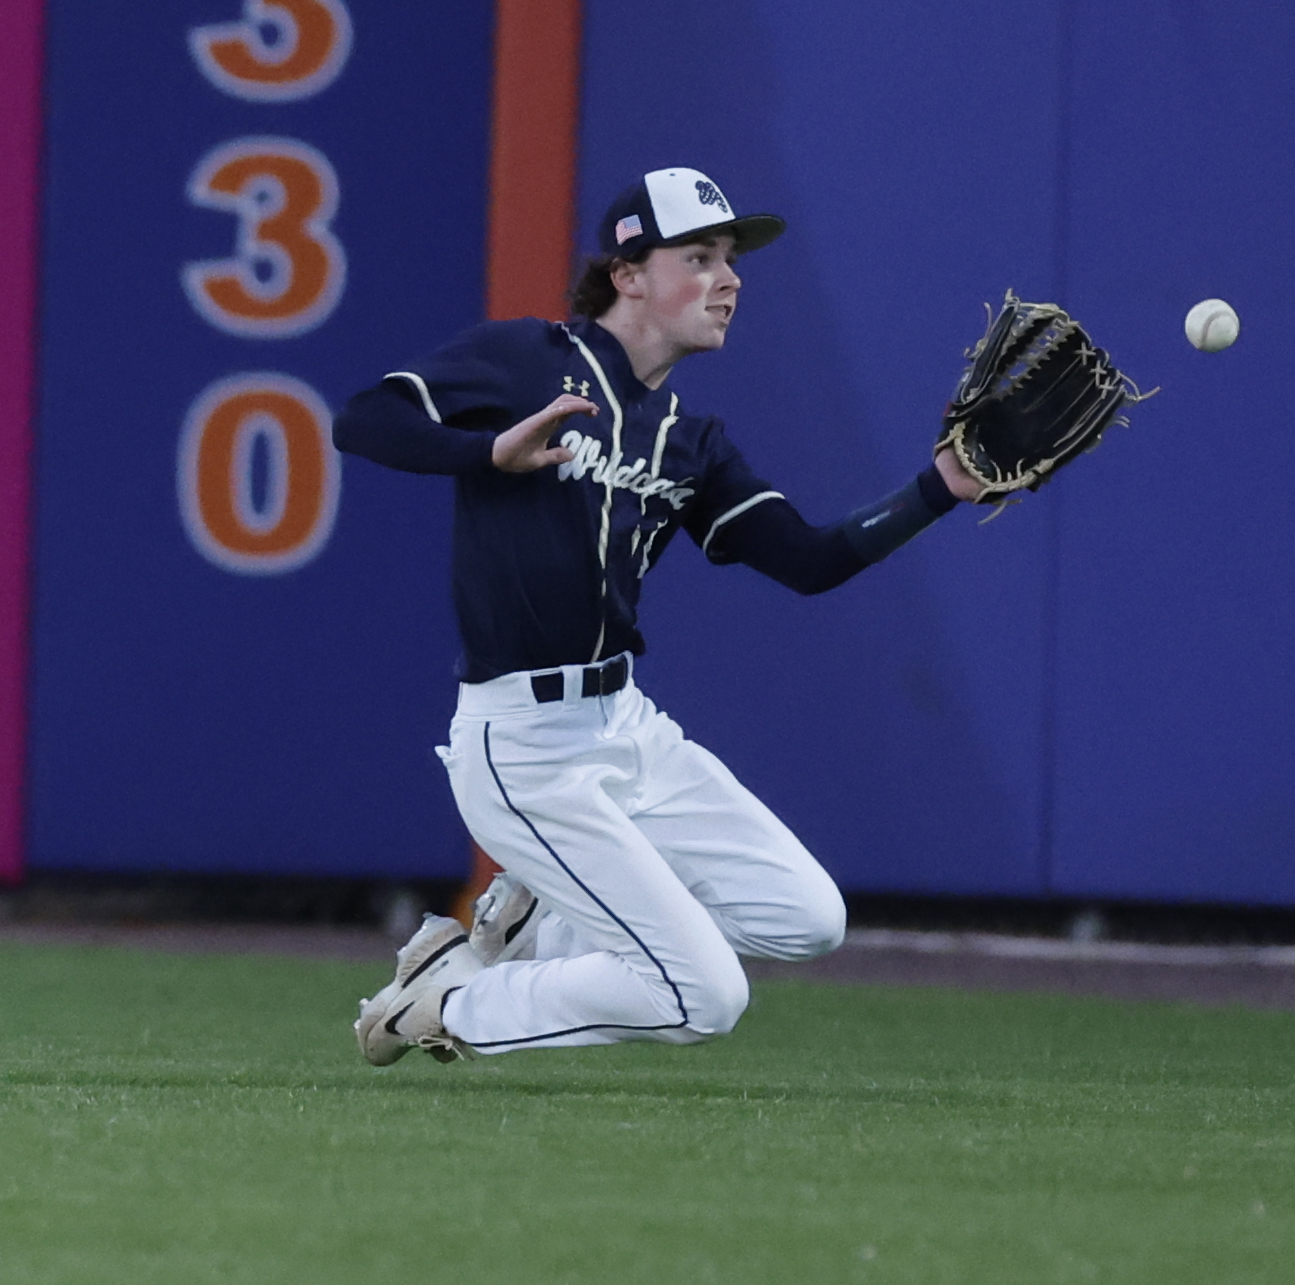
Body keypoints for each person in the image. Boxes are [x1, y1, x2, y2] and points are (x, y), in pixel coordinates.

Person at [336, 167, 980, 1064]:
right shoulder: (528, 360)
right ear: (627, 274)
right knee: (704, 996)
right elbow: (365, 419)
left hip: (626, 727)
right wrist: (483, 450)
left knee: (808, 917)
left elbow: (809, 559)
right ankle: (454, 1002)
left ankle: (532, 925)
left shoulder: (689, 439)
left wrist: (939, 488)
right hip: (522, 744)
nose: (730, 278)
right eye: (701, 256)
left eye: (731, 260)